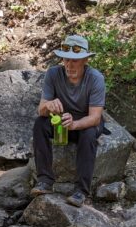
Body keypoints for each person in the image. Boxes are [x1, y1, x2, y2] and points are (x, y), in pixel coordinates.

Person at [31, 34, 106, 207]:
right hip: (63, 118)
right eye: (66, 59)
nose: (69, 65)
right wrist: (49, 105)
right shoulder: (53, 73)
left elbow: (95, 118)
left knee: (88, 134)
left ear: (85, 60)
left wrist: (74, 125)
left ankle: (81, 191)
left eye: (75, 60)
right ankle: (44, 180)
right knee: (40, 124)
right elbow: (41, 110)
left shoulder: (95, 78)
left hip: (85, 121)